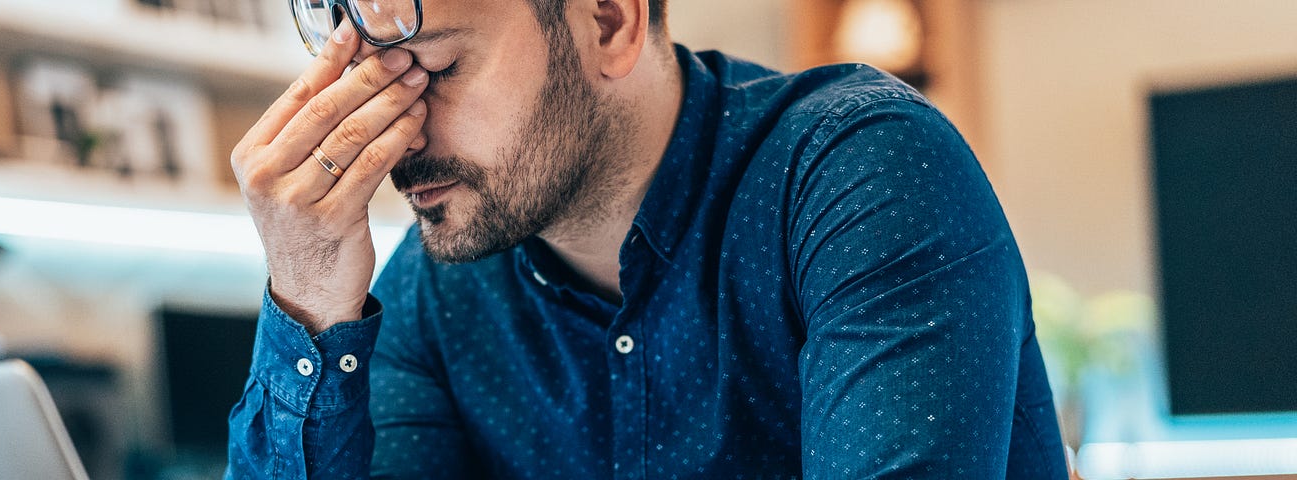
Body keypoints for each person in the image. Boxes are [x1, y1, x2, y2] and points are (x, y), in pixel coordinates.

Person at [225, 0, 1068, 477]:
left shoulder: (862, 173)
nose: (401, 138)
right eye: (375, 84)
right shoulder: (430, 293)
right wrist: (308, 298)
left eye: (437, 71)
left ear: (609, 21)